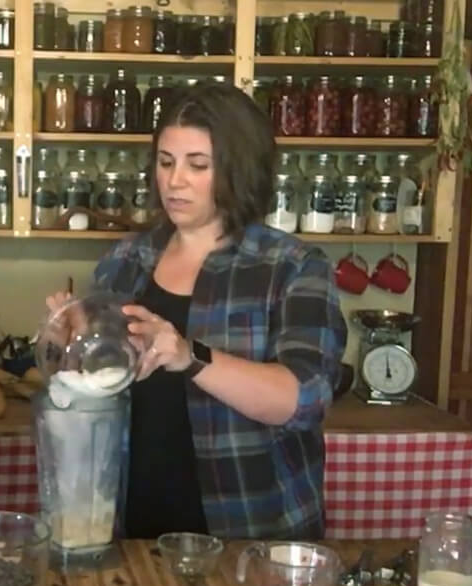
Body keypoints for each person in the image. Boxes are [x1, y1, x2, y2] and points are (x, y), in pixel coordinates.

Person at [49, 83, 346, 540]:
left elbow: (305, 398)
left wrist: (190, 356)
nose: (175, 180)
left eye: (198, 165)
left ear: (239, 170)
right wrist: (80, 340)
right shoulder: (126, 259)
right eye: (166, 163)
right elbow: (109, 379)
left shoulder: (293, 267)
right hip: (133, 518)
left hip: (249, 525)